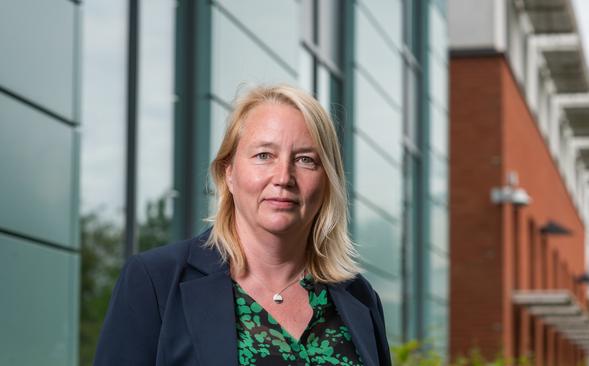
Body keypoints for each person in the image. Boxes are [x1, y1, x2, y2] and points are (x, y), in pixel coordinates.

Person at [94, 84, 391, 366]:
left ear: (327, 181)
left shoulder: (359, 297)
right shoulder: (155, 281)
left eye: (305, 159)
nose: (283, 177)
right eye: (264, 155)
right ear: (229, 174)